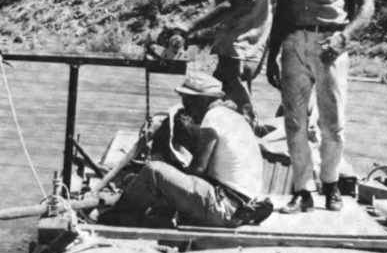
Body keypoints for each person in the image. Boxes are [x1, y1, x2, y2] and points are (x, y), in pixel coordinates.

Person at [267, 0, 374, 214]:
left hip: (330, 44)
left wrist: (346, 36)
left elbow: (366, 3)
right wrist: (271, 56)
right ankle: (303, 191)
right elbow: (281, 15)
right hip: (293, 44)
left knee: (333, 123)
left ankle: (331, 183)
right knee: (294, 122)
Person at [101, 73, 271, 228]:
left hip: (225, 208)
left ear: (202, 100)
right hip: (241, 206)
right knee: (169, 178)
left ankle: (114, 218)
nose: (185, 109)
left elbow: (197, 170)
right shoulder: (233, 117)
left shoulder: (213, 117)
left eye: (187, 101)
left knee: (153, 170)